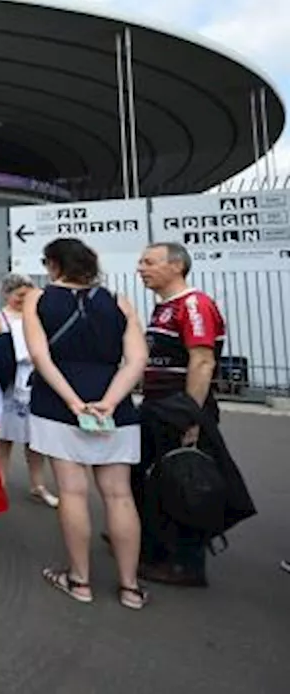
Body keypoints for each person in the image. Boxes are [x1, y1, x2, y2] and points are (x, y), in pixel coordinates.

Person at [23, 238, 149, 610]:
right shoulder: (117, 300)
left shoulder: (38, 299)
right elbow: (137, 359)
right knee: (119, 494)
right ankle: (130, 587)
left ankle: (79, 580)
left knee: (72, 492)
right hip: (115, 403)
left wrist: (71, 400)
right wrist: (110, 401)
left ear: (54, 265)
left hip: (58, 403)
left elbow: (39, 355)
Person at [135, 242, 254, 587]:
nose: (140, 268)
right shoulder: (164, 309)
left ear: (176, 266)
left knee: (185, 481)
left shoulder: (194, 305)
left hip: (178, 408)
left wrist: (190, 416)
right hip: (158, 406)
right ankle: (149, 542)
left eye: (149, 262)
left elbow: (202, 361)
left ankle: (185, 564)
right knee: (144, 475)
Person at [0, 274, 58, 508]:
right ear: (8, 294)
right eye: (19, 296)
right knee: (4, 437)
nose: (23, 300)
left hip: (34, 380)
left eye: (27, 295)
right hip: (9, 382)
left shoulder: (39, 317)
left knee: (34, 438)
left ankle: (38, 484)